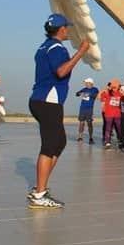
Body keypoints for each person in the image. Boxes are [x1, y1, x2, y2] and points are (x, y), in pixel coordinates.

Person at [28, 13, 90, 209]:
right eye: (67, 28)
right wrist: (81, 52)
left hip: (41, 99)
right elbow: (61, 71)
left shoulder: (43, 47)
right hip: (49, 101)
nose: (69, 31)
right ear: (61, 29)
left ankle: (40, 187)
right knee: (49, 146)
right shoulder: (57, 48)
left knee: (59, 142)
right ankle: (39, 193)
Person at [101, 80, 123, 149]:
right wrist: (103, 91)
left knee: (119, 128)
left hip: (117, 114)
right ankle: (107, 142)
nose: (114, 87)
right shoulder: (107, 93)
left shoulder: (120, 93)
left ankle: (120, 140)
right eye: (112, 86)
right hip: (108, 114)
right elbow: (100, 98)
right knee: (108, 128)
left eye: (116, 86)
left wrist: (123, 93)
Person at [75, 78, 99, 144]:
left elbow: (96, 96)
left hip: (89, 109)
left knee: (89, 123)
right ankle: (80, 137)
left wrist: (89, 94)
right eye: (85, 83)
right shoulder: (84, 89)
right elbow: (77, 94)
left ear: (90, 83)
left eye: (86, 82)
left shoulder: (95, 89)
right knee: (81, 123)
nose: (85, 84)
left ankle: (91, 138)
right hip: (82, 108)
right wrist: (79, 93)